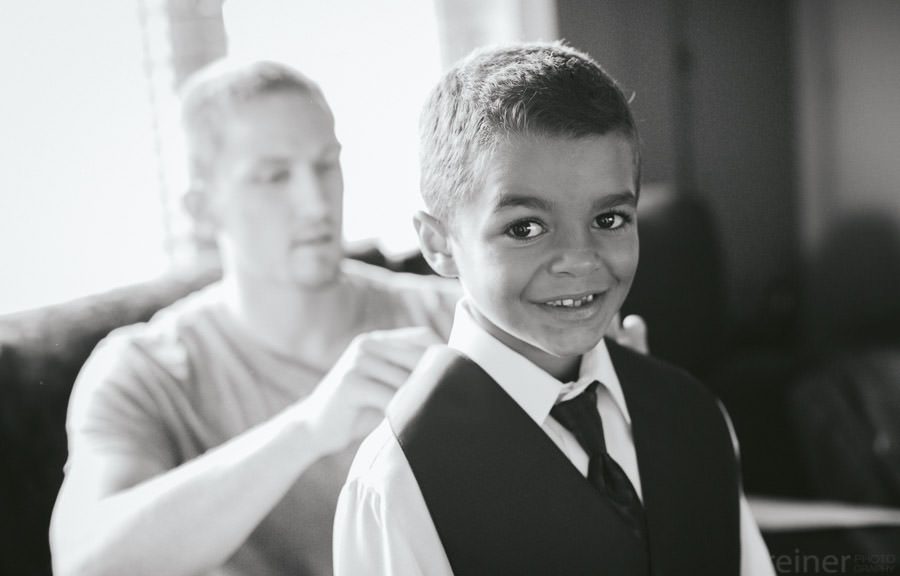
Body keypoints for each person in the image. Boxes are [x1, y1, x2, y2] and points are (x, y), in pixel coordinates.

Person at [333, 42, 775, 575]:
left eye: (609, 220)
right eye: (525, 228)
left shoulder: (695, 415)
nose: (579, 261)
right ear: (439, 243)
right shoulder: (401, 480)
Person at [48, 60, 460, 576]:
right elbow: (85, 563)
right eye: (274, 176)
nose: (315, 202)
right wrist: (308, 429)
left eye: (325, 164)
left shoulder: (449, 318)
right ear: (203, 208)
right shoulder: (144, 370)